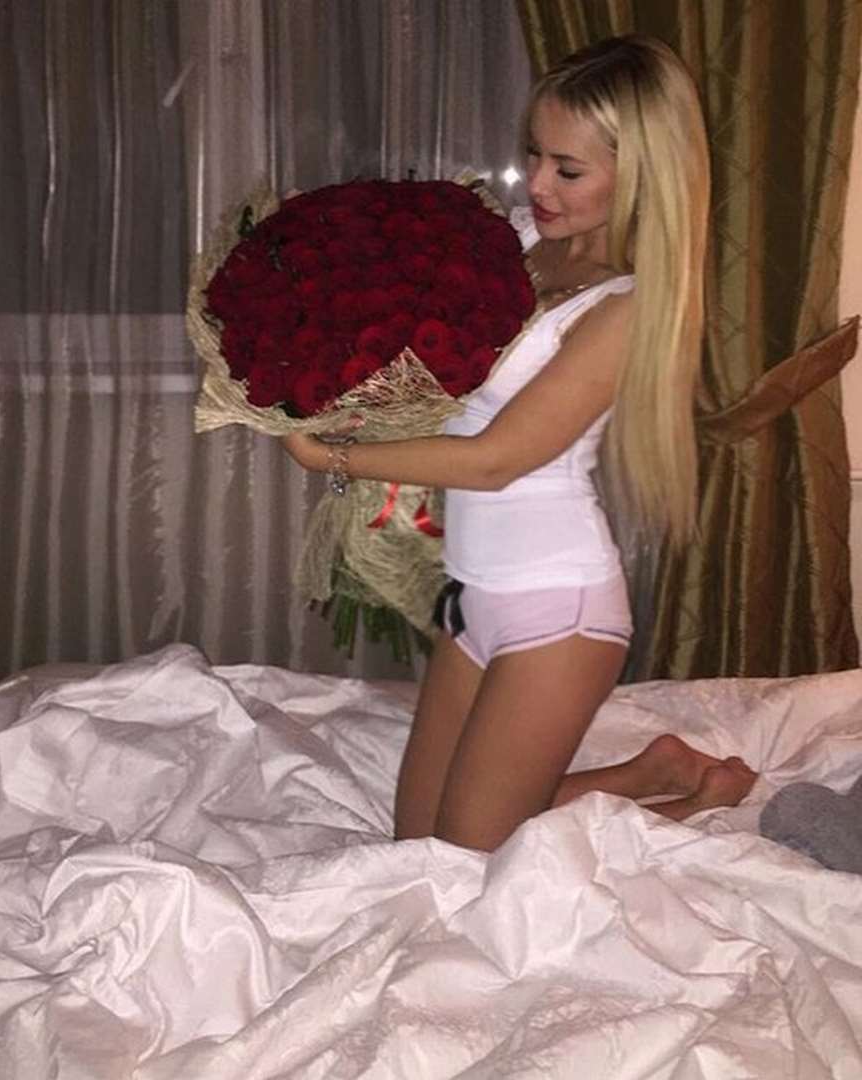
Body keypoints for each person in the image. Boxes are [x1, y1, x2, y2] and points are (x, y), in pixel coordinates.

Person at [282, 34, 756, 852]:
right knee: (420, 844)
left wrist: (331, 457)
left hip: (558, 608)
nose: (536, 183)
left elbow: (496, 459)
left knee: (472, 858)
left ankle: (698, 802)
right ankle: (649, 768)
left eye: (567, 170)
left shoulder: (627, 306)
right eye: (533, 153)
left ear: (642, 173)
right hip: (471, 593)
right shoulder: (520, 246)